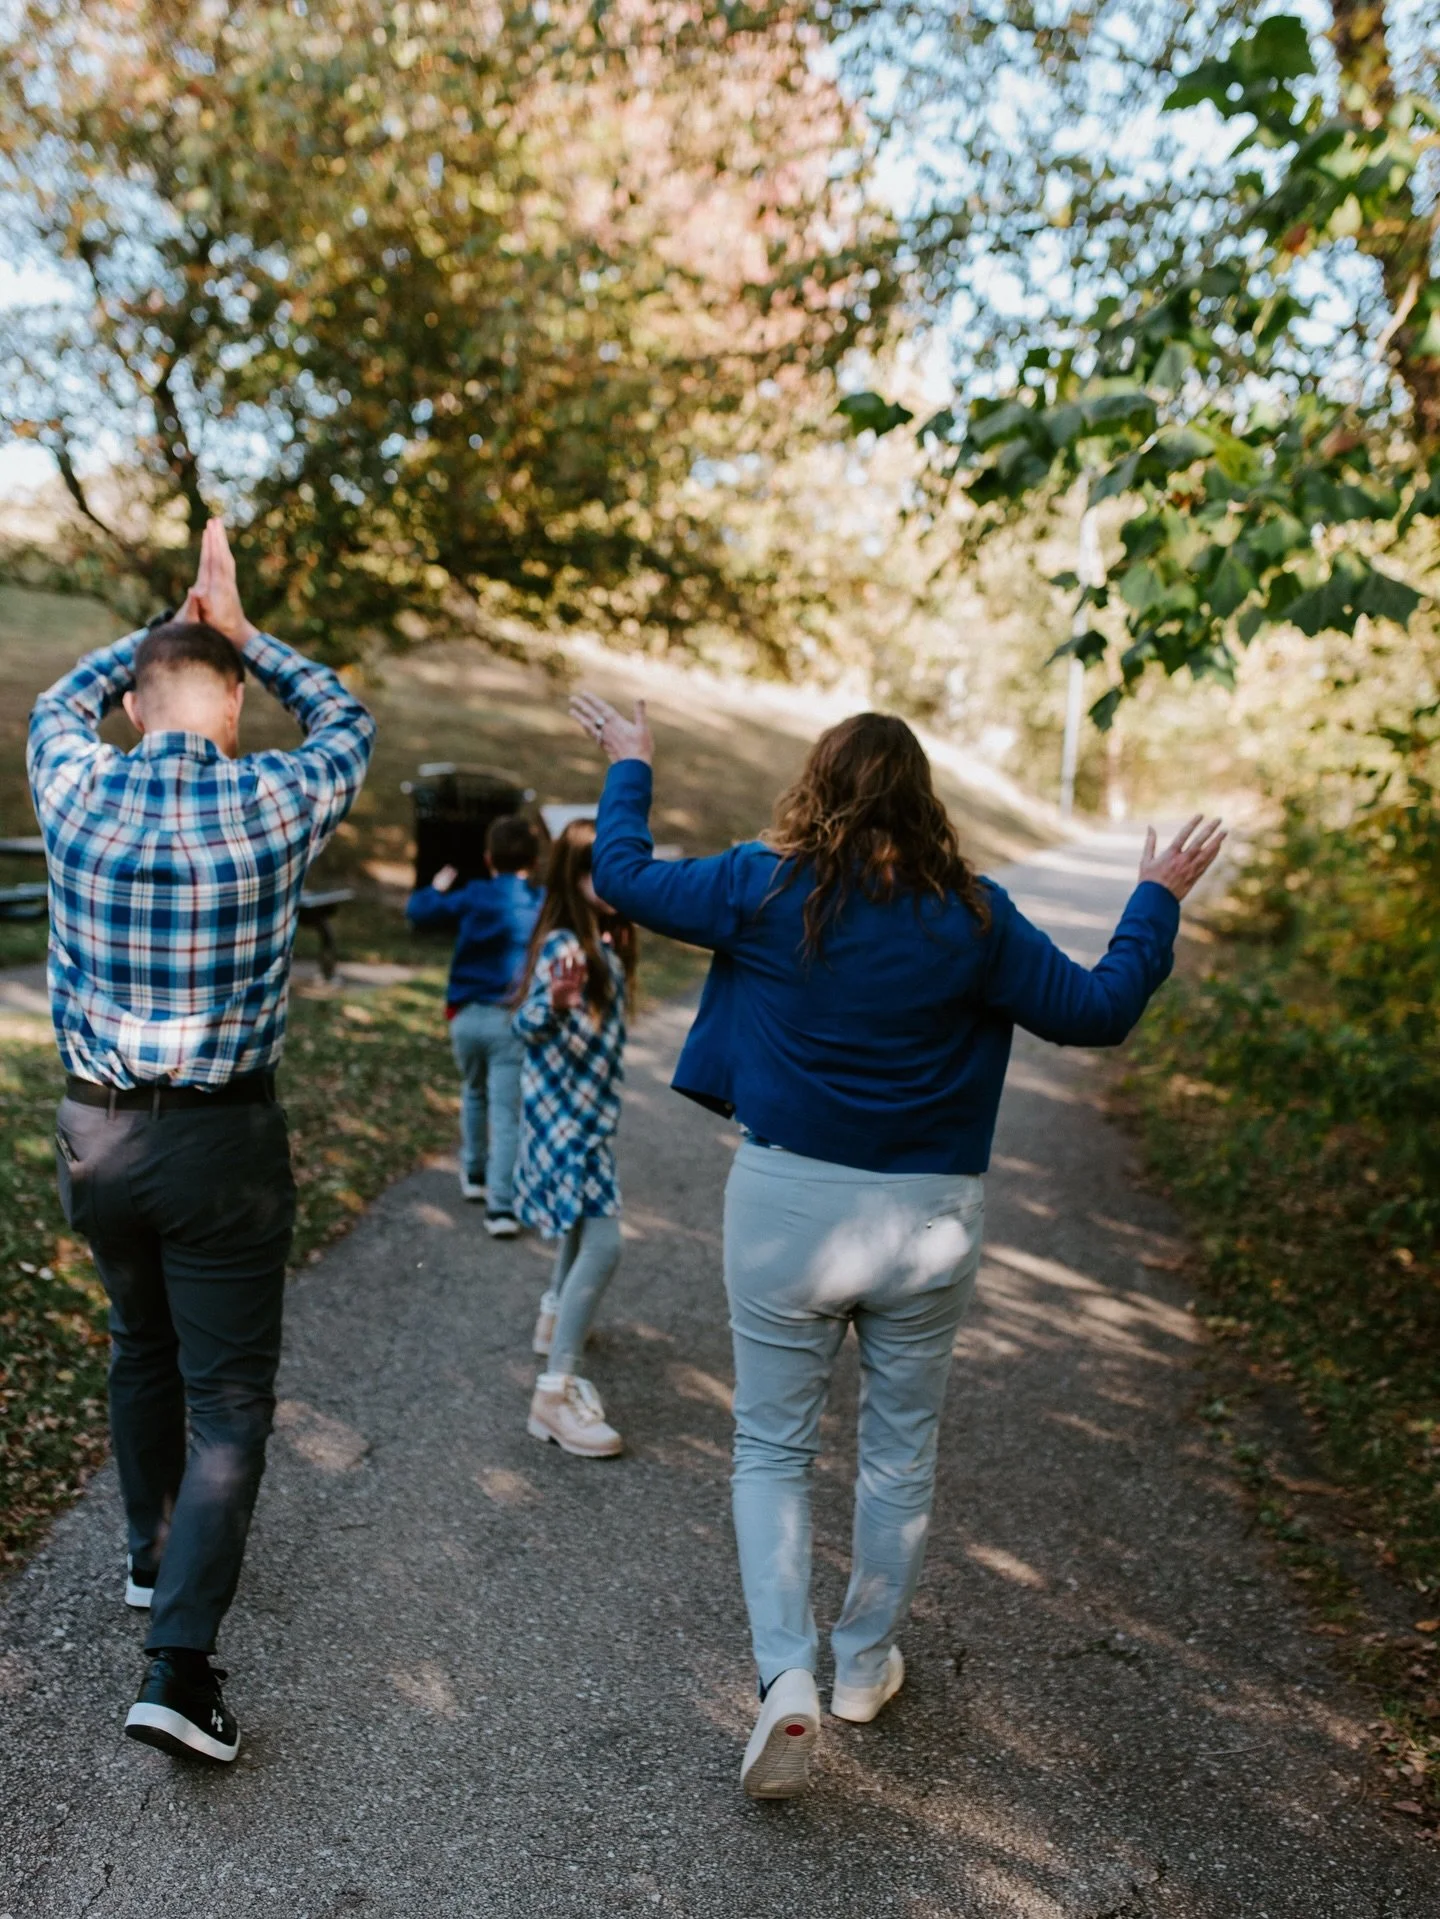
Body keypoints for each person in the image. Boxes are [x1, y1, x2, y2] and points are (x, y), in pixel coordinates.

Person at [570, 688, 1223, 1800]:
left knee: (772, 1446)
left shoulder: (764, 885)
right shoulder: (976, 916)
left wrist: (631, 760)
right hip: (928, 1221)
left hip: (783, 1207)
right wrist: (1153, 900)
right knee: (897, 1449)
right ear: (926, 805)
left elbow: (619, 879)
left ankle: (787, 1673)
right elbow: (1100, 1008)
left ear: (814, 790)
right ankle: (865, 1664)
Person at [27, 519, 375, 1765]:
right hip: (223, 1147)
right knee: (230, 1398)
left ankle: (148, 1554)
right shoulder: (275, 798)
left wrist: (163, 631)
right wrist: (248, 630)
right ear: (232, 708)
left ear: (132, 704)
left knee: (139, 1342)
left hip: (98, 1139)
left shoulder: (73, 780)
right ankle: (178, 1666)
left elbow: (56, 702)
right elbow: (347, 720)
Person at [511, 820, 637, 1458]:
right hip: (565, 1127)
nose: (609, 883)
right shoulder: (571, 946)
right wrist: (555, 1002)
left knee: (584, 1231)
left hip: (581, 1122)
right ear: (573, 878)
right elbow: (528, 1024)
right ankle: (556, 1392)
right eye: (596, 871)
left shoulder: (604, 940)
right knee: (605, 1242)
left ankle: (557, 1316)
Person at [406, 816, 542, 1236]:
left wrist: (438, 885)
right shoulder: (540, 900)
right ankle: (501, 1208)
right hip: (509, 1020)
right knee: (506, 1112)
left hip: (464, 1018)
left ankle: (474, 1174)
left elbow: (418, 910)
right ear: (534, 861)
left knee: (473, 1091)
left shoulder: (474, 894)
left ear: (487, 859)